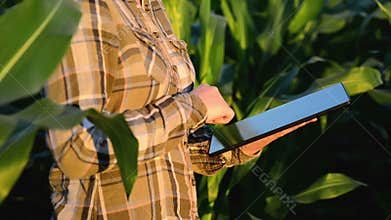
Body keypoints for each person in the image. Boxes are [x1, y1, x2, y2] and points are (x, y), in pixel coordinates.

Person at [44, 0, 315, 219]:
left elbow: (174, 144)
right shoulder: (82, 8)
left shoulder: (151, 8)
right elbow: (77, 149)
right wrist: (193, 106)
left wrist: (246, 139)